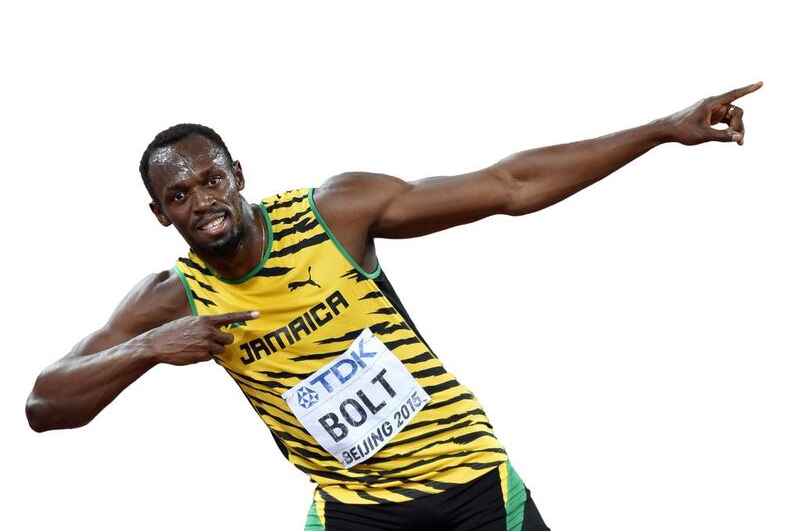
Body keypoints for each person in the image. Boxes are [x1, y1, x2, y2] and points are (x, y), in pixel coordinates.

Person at [26, 81, 762, 530]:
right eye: (179, 196)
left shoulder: (333, 213)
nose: (203, 203)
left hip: (470, 480)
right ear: (160, 215)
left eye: (212, 180)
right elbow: (43, 403)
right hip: (355, 509)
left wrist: (665, 129)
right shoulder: (174, 298)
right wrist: (147, 348)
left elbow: (510, 185)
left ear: (238, 174)